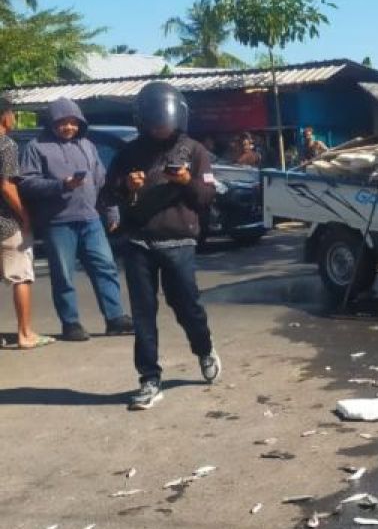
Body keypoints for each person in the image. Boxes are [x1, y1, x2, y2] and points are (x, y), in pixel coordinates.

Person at [100, 82, 220, 409]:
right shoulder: (129, 153)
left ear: (177, 119)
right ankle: (149, 379)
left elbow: (207, 196)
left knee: (187, 307)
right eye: (153, 125)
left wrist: (186, 182)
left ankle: (204, 349)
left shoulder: (194, 151)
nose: (159, 130)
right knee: (143, 314)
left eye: (163, 124)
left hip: (179, 241)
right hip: (139, 241)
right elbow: (108, 194)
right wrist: (126, 185)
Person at [19, 98, 134, 341]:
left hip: (91, 220)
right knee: (63, 275)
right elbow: (27, 183)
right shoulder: (36, 147)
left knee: (105, 268)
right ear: (52, 123)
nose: (68, 127)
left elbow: (101, 181)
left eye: (73, 123)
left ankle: (115, 318)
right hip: (57, 223)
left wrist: (111, 211)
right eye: (62, 123)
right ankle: (70, 324)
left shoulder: (87, 145)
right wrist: (61, 185)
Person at [0, 96, 52, 349]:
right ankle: (24, 334)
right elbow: (7, 187)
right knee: (20, 276)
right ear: (5, 116)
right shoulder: (6, 145)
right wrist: (25, 216)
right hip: (6, 224)